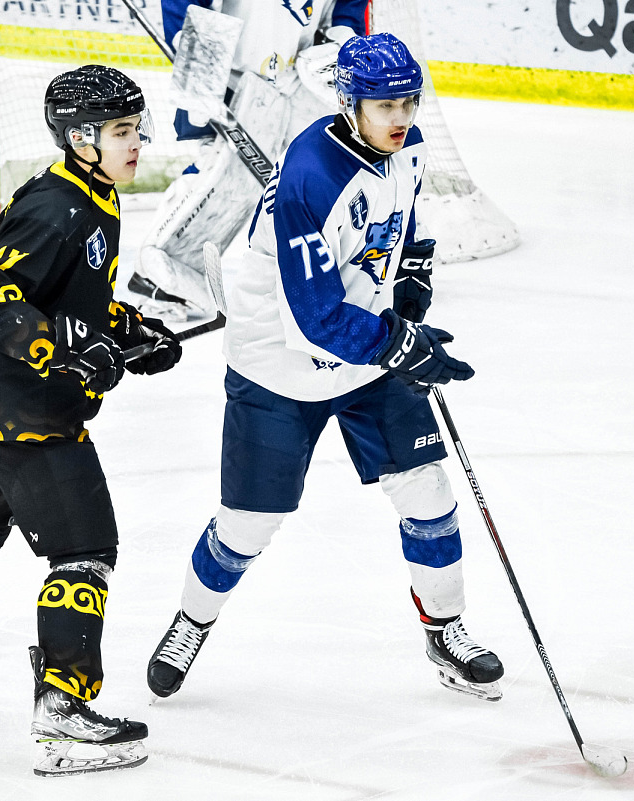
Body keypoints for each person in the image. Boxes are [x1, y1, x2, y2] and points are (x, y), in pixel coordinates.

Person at [146, 33, 506, 711]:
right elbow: (315, 318)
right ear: (350, 104)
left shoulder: (408, 145)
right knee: (247, 525)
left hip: (364, 350)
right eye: (385, 105)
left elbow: (405, 219)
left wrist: (413, 274)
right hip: (278, 364)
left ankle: (445, 630)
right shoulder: (312, 177)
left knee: (427, 492)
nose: (401, 116)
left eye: (408, 101)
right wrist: (401, 345)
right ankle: (191, 622)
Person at [0, 64, 182, 777]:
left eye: (135, 128)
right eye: (121, 130)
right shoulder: (59, 208)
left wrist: (130, 332)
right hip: (19, 413)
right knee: (84, 551)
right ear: (81, 138)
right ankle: (62, 711)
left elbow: (63, 298)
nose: (136, 142)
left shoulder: (87, 194)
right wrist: (67, 354)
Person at [127, 0, 368, 321]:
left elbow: (348, 10)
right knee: (223, 175)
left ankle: (324, 272)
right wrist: (197, 56)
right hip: (231, 73)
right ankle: (158, 275)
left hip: (298, 75)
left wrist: (342, 42)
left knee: (319, 173)